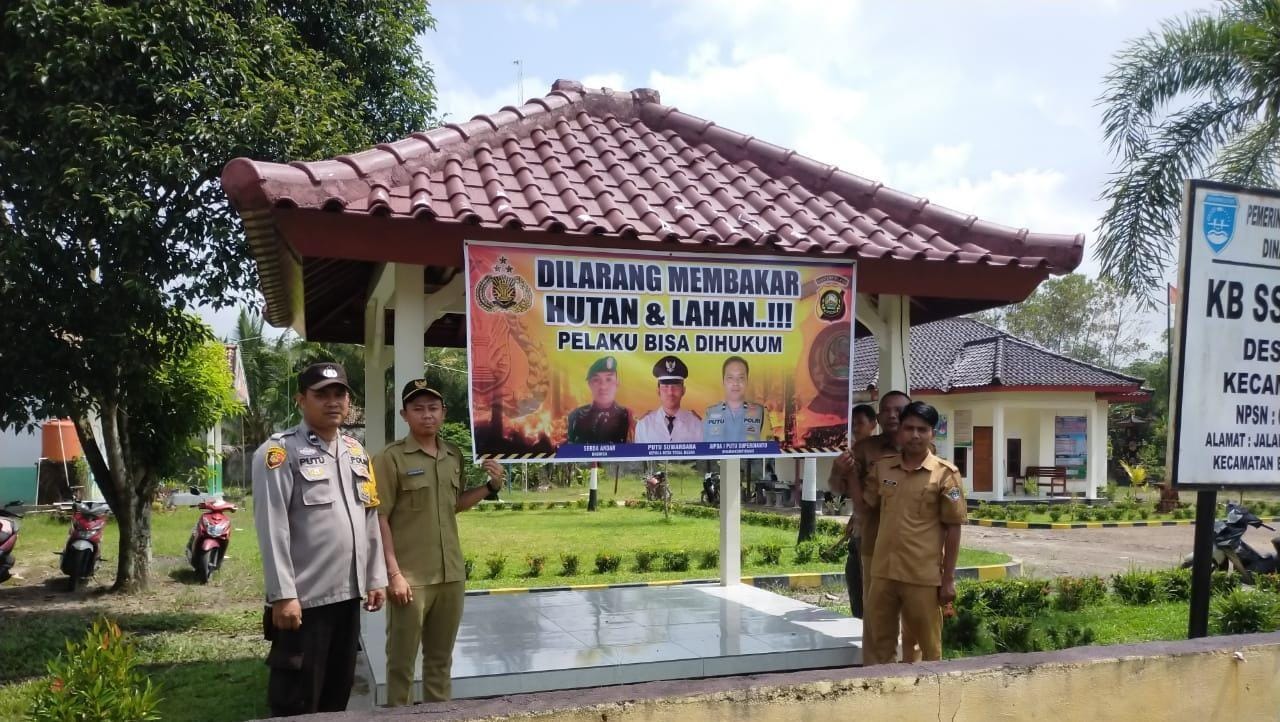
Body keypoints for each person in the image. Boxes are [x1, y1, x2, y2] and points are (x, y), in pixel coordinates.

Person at [252, 362, 386, 717]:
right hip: (304, 603)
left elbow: (369, 517)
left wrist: (375, 578)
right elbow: (273, 526)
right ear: (301, 400)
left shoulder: (357, 452)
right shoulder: (279, 453)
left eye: (339, 393)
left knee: (336, 695)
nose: (332, 402)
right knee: (297, 700)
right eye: (321, 394)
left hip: (347, 597)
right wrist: (283, 595)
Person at [374, 380, 507, 705]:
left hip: (450, 577)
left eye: (433, 408)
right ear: (405, 414)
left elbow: (455, 504)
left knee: (440, 662)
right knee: (402, 665)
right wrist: (394, 574)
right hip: (411, 580)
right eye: (418, 409)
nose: (427, 415)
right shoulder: (390, 459)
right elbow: (379, 519)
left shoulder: (453, 456)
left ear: (443, 413)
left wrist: (491, 486)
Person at [860, 401, 966, 665]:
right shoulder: (883, 467)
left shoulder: (945, 475)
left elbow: (954, 528)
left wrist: (949, 578)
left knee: (925, 649)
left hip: (921, 576)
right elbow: (866, 505)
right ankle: (879, 700)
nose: (915, 435)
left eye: (922, 429)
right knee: (877, 646)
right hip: (883, 572)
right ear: (900, 431)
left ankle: (926, 702)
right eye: (909, 428)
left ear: (932, 433)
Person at [830, 402, 879, 618]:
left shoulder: (885, 454)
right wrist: (839, 469)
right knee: (856, 580)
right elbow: (835, 487)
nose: (855, 428)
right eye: (852, 424)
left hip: (881, 533)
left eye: (860, 423)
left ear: (873, 424)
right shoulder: (848, 454)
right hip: (860, 532)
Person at [634, 355, 703, 443]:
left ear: (683, 390)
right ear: (658, 391)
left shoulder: (696, 424)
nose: (670, 392)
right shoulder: (644, 424)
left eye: (675, 386)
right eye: (665, 386)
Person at [566, 356, 632, 443]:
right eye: (596, 380)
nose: (603, 387)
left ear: (617, 383)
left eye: (608, 379)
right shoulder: (576, 417)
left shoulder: (627, 417)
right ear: (589, 384)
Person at [704, 356, 767, 442]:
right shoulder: (710, 413)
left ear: (747, 381)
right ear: (723, 381)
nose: (735, 383)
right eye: (730, 378)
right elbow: (703, 450)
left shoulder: (760, 412)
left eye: (741, 378)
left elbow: (769, 450)